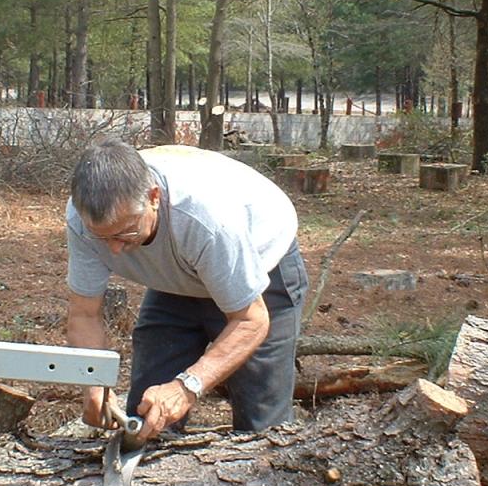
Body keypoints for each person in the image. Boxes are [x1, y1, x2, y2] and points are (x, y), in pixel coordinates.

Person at [66, 139, 307, 442]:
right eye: (102, 238)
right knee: (147, 418)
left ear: (154, 197)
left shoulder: (205, 218)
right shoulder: (83, 218)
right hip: (180, 271)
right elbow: (84, 315)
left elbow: (251, 321)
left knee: (262, 427)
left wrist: (186, 387)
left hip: (257, 266)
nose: (114, 249)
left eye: (125, 233)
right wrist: (93, 382)